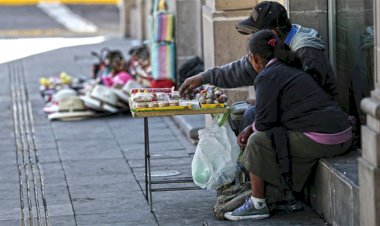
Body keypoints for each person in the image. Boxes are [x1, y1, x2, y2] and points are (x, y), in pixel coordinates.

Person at [222, 30, 352, 221]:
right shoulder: (288, 68)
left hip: (326, 138)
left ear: (255, 58)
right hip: (343, 134)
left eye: (250, 59)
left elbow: (265, 124)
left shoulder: (267, 76)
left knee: (257, 141)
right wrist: (252, 127)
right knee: (268, 135)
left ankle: (258, 203)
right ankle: (283, 192)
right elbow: (273, 117)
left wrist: (250, 130)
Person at [178, 1, 338, 132]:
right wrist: (203, 78)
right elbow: (242, 69)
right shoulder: (272, 47)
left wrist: (268, 104)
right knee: (237, 113)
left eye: (256, 34)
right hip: (294, 111)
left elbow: (314, 97)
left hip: (317, 120)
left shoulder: (307, 51)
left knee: (250, 117)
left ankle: (251, 168)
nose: (253, 38)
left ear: (273, 33)